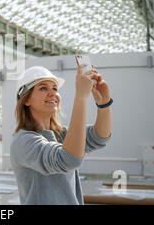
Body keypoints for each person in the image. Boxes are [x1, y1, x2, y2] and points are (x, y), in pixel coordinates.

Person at [10, 64, 112, 205]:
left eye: (55, 88)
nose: (52, 93)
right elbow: (69, 159)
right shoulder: (23, 141)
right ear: (26, 100)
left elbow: (99, 137)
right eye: (43, 88)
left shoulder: (61, 134)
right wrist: (80, 98)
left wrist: (104, 104)